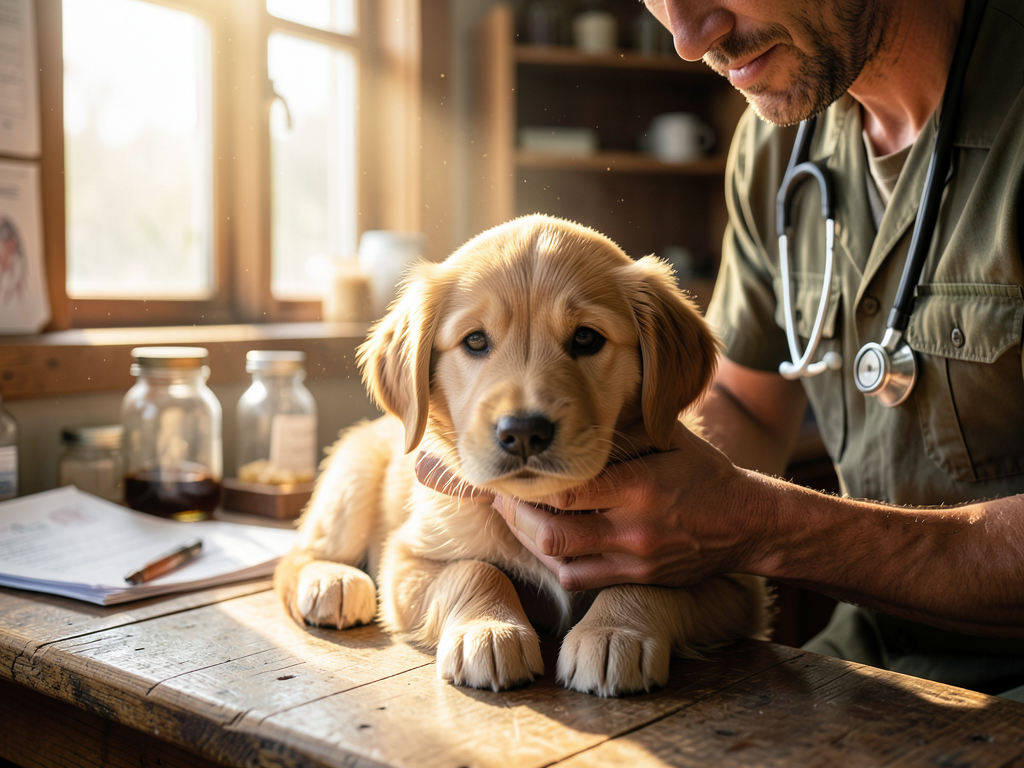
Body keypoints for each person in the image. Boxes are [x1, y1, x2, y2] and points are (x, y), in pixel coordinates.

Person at [422, 0, 1024, 700]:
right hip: (872, 660)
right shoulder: (777, 145)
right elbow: (744, 405)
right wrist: (626, 509)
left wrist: (760, 528)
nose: (687, 37)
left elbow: (746, 519)